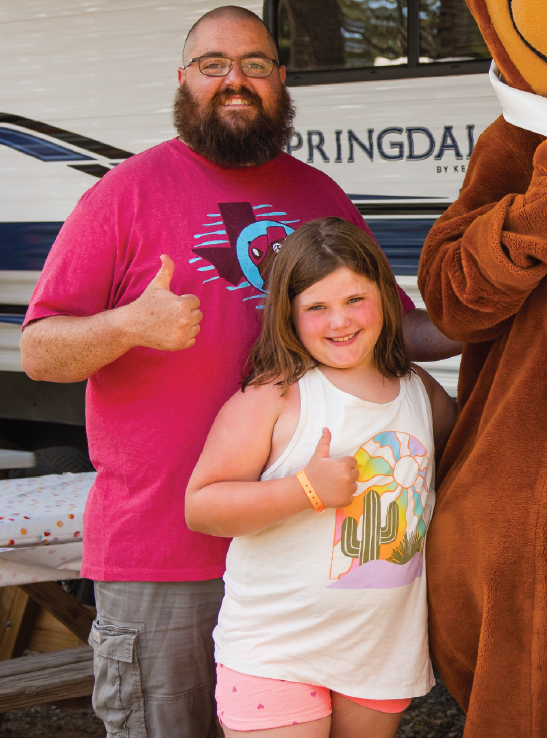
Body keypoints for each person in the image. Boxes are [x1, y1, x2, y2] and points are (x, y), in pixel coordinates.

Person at [21, 6, 460, 738]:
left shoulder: (319, 197)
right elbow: (39, 352)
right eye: (213, 65)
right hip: (167, 551)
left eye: (255, 65)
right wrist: (129, 324)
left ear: (281, 81)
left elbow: (395, 329)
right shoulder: (123, 195)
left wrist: (497, 308)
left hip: (304, 559)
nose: (235, 81)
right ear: (183, 79)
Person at [185, 218, 453, 738]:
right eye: (317, 307)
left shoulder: (418, 390)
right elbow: (202, 506)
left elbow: (470, 455)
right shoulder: (276, 395)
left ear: (385, 296)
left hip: (379, 652)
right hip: (277, 649)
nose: (340, 321)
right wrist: (305, 489)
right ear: (289, 314)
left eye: (356, 299)